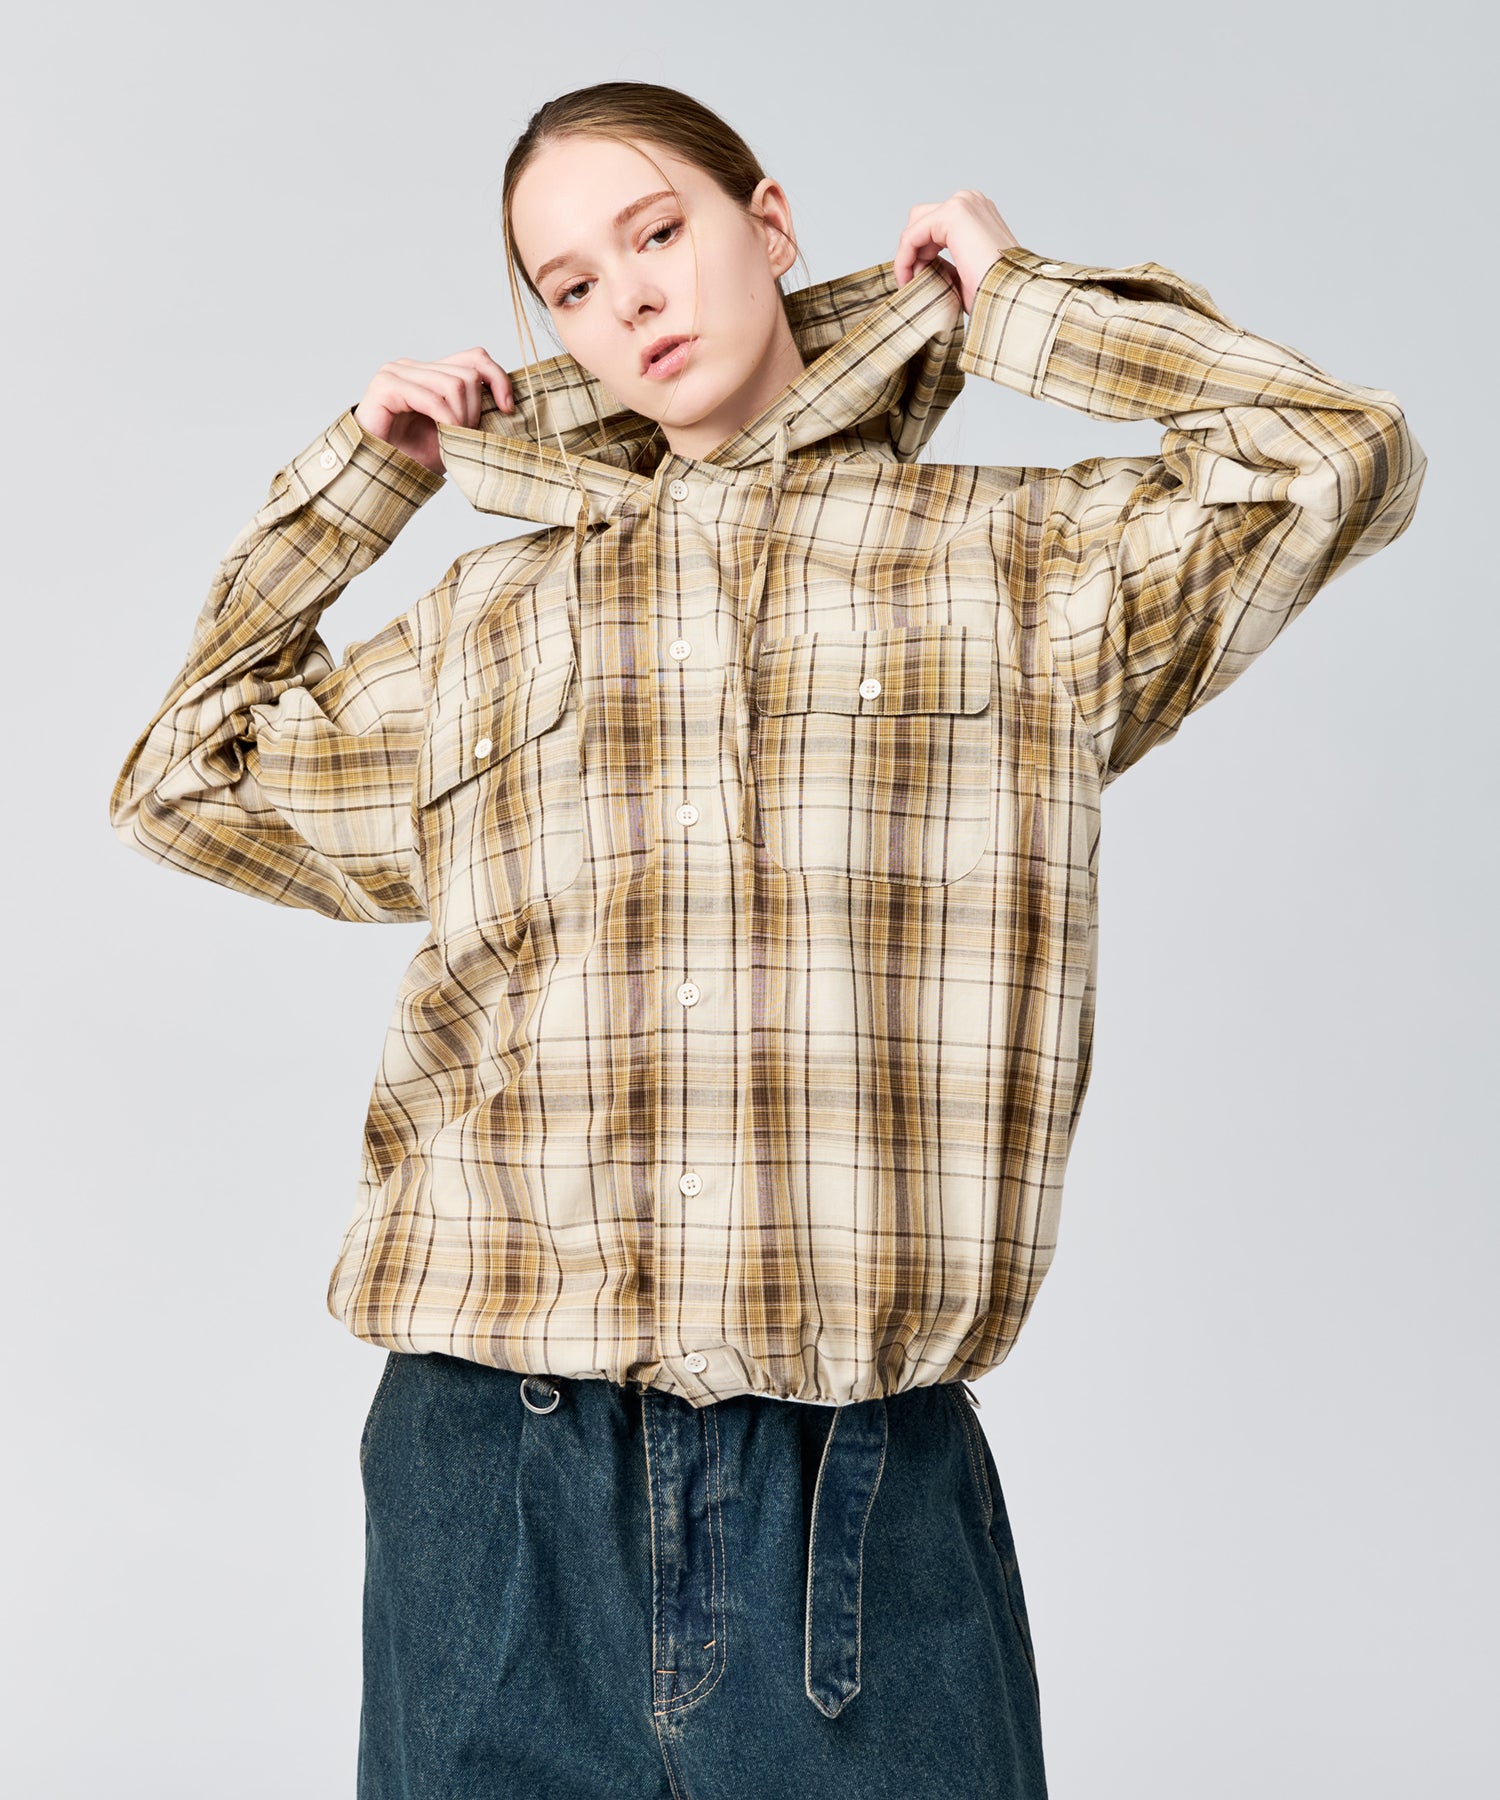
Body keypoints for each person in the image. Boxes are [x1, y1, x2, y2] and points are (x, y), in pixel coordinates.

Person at [108, 78, 1424, 1800]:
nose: (631, 299)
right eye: (572, 286)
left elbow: (1337, 456)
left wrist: (1023, 302)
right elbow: (183, 777)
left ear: (771, 223)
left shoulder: (1024, 565)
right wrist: (365, 481)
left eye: (658, 232)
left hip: (850, 1489)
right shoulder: (488, 621)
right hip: (490, 1478)